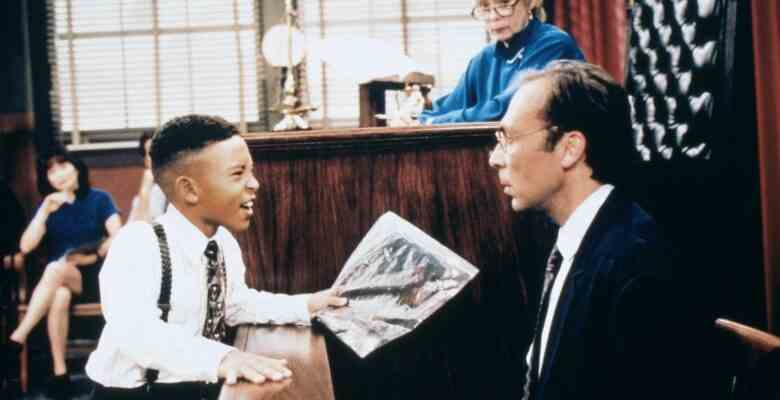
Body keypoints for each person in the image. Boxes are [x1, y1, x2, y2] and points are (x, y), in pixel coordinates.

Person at [86, 114, 348, 399]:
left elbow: (235, 303)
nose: (254, 184)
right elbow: (138, 333)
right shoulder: (138, 243)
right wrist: (224, 359)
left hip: (190, 385)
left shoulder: (222, 241)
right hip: (133, 393)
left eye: (252, 172)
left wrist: (307, 305)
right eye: (238, 174)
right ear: (189, 189)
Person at [488, 60, 690, 400]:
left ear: (570, 148)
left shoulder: (634, 268)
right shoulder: (580, 238)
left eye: (507, 139)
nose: (495, 158)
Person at [8, 150, 121, 393]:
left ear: (76, 167)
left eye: (63, 166)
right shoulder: (50, 205)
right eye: (51, 171)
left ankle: (17, 337)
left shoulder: (100, 199)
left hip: (94, 277)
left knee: (55, 269)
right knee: (59, 293)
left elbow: (119, 234)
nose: (58, 175)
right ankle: (61, 376)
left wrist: (98, 252)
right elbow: (26, 246)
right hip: (60, 279)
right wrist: (44, 211)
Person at [418, 0, 584, 125]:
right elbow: (444, 109)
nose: (493, 16)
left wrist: (434, 122)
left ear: (530, 3)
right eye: (485, 7)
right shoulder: (483, 58)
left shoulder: (553, 43)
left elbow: (512, 109)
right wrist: (425, 119)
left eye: (504, 4)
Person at [127, 131, 168, 223]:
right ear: (145, 160)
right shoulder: (151, 188)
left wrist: (145, 188)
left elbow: (144, 224)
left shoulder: (167, 189)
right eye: (150, 154)